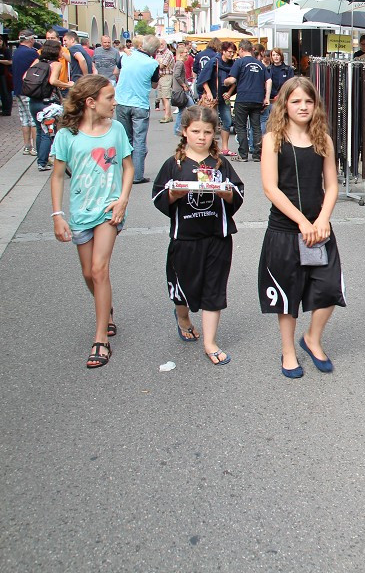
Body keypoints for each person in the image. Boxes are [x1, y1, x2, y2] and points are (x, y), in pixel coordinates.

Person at [259, 77, 345, 378]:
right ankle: (288, 351)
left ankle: (312, 339)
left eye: (308, 101)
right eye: (296, 101)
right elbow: (271, 188)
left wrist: (322, 219)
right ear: (285, 104)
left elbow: (332, 186)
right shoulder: (273, 139)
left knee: (330, 288)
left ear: (315, 104)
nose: (303, 106)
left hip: (319, 230)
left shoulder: (323, 139)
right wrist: (302, 221)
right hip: (285, 229)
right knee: (287, 295)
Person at [50, 74, 134, 369]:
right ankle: (105, 306)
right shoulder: (67, 135)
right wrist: (57, 215)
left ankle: (101, 338)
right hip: (80, 212)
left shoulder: (117, 129)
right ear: (90, 103)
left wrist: (123, 199)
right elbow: (58, 176)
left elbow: (128, 167)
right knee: (89, 273)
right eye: (109, 98)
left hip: (109, 211)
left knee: (99, 269)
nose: (114, 103)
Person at [151, 105, 245, 366]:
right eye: (195, 131)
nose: (201, 137)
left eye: (207, 132)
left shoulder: (220, 164)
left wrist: (225, 192)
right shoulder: (174, 164)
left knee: (214, 288)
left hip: (218, 236)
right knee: (183, 289)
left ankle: (210, 341)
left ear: (214, 133)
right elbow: (159, 196)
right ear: (184, 132)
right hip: (186, 238)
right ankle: (182, 317)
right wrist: (174, 194)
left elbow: (237, 192)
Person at [113, 35, 161, 184]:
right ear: (155, 50)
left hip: (122, 101)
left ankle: (125, 171)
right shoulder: (153, 63)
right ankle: (137, 175)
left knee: (125, 138)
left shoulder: (126, 56)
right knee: (139, 140)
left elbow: (116, 72)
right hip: (140, 103)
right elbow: (154, 85)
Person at [25, 39, 73, 172]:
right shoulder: (55, 64)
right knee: (47, 132)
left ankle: (41, 160)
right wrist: (67, 84)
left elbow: (25, 77)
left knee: (40, 130)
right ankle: (43, 162)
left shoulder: (37, 62)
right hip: (48, 103)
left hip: (34, 101)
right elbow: (53, 81)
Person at [222, 39, 270, 162]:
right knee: (256, 127)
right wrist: (266, 97)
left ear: (242, 50)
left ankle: (243, 155)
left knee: (241, 126)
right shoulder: (260, 64)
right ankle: (257, 155)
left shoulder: (240, 62)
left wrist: (225, 81)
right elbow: (268, 80)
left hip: (243, 99)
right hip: (257, 99)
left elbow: (232, 80)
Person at [195, 41, 237, 156]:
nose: (231, 54)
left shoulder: (233, 64)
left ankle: (224, 148)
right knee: (210, 122)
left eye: (233, 52)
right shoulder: (214, 62)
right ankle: (209, 147)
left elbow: (235, 80)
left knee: (227, 121)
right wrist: (208, 93)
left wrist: (229, 93)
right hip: (212, 98)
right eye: (229, 52)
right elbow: (203, 79)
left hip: (224, 97)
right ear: (223, 51)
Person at [12, 30, 38, 155]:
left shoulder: (16, 52)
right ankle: (35, 147)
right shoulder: (31, 53)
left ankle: (26, 146)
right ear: (30, 39)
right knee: (33, 118)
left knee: (24, 118)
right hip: (29, 90)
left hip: (18, 89)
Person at [264, 48, 294, 134]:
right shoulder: (268, 69)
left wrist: (281, 95)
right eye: (273, 55)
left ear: (281, 56)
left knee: (283, 121)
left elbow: (290, 85)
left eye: (277, 55)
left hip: (283, 99)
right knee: (270, 122)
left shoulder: (288, 69)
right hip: (270, 99)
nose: (276, 57)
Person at [172, 43, 194, 136]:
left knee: (183, 109)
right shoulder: (180, 63)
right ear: (180, 53)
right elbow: (176, 75)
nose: (187, 54)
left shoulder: (179, 63)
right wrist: (184, 85)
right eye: (185, 52)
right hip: (180, 91)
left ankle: (178, 128)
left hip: (179, 90)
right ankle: (179, 128)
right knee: (192, 108)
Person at [155, 40, 176, 123]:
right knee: (162, 97)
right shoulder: (159, 53)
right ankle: (167, 115)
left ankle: (167, 116)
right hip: (161, 76)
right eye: (159, 44)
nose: (160, 46)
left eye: (162, 44)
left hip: (166, 76)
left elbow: (161, 65)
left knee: (165, 97)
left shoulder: (168, 53)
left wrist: (157, 63)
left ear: (166, 44)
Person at [0, 37, 12, 116]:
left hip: (3, 74)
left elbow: (10, 62)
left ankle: (7, 110)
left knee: (5, 92)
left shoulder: (6, 50)